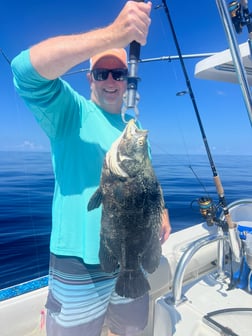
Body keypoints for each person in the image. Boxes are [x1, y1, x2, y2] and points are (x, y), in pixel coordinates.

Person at [11, 1, 171, 336]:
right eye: (102, 73)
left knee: (132, 331)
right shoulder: (71, 112)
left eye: (119, 73)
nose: (111, 81)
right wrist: (115, 35)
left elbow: (147, 184)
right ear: (90, 78)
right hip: (79, 263)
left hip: (133, 256)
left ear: (127, 78)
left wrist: (163, 211)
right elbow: (24, 71)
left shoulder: (133, 129)